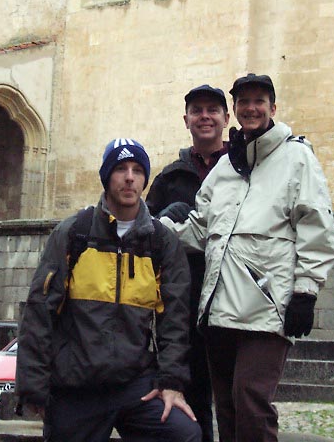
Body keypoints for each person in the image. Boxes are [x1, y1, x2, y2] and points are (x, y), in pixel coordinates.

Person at [160, 74, 334, 442]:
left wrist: (306, 291)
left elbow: (316, 224)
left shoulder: (297, 158)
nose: (251, 108)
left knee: (251, 398)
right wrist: (154, 230)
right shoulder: (226, 168)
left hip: (266, 309)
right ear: (236, 111)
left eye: (259, 101)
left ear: (273, 108)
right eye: (244, 102)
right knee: (226, 407)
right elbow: (200, 229)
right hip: (220, 309)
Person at [16, 138, 201, 442]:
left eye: (138, 170)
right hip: (76, 388)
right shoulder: (74, 232)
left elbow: (174, 321)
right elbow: (39, 312)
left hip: (135, 386)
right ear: (106, 176)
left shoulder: (161, 242)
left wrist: (171, 382)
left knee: (184, 435)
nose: (130, 177)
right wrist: (34, 387)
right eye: (120, 169)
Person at [146, 84, 230, 442]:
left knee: (235, 394)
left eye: (213, 110)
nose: (205, 116)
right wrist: (166, 217)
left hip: (234, 294)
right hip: (186, 299)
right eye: (197, 110)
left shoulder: (243, 168)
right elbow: (146, 234)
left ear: (226, 118)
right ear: (186, 120)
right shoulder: (169, 177)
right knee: (193, 392)